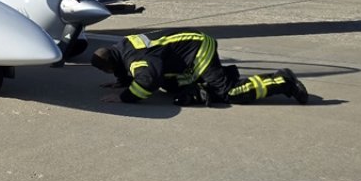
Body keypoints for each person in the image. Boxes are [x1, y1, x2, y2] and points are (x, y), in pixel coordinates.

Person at [90, 30, 309, 106]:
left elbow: (148, 81)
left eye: (106, 70)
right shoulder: (121, 47)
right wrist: (122, 81)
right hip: (184, 53)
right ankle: (222, 77)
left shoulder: (138, 60)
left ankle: (284, 82)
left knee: (228, 93)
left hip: (198, 47)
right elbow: (129, 68)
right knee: (175, 88)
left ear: (113, 64)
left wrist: (125, 96)